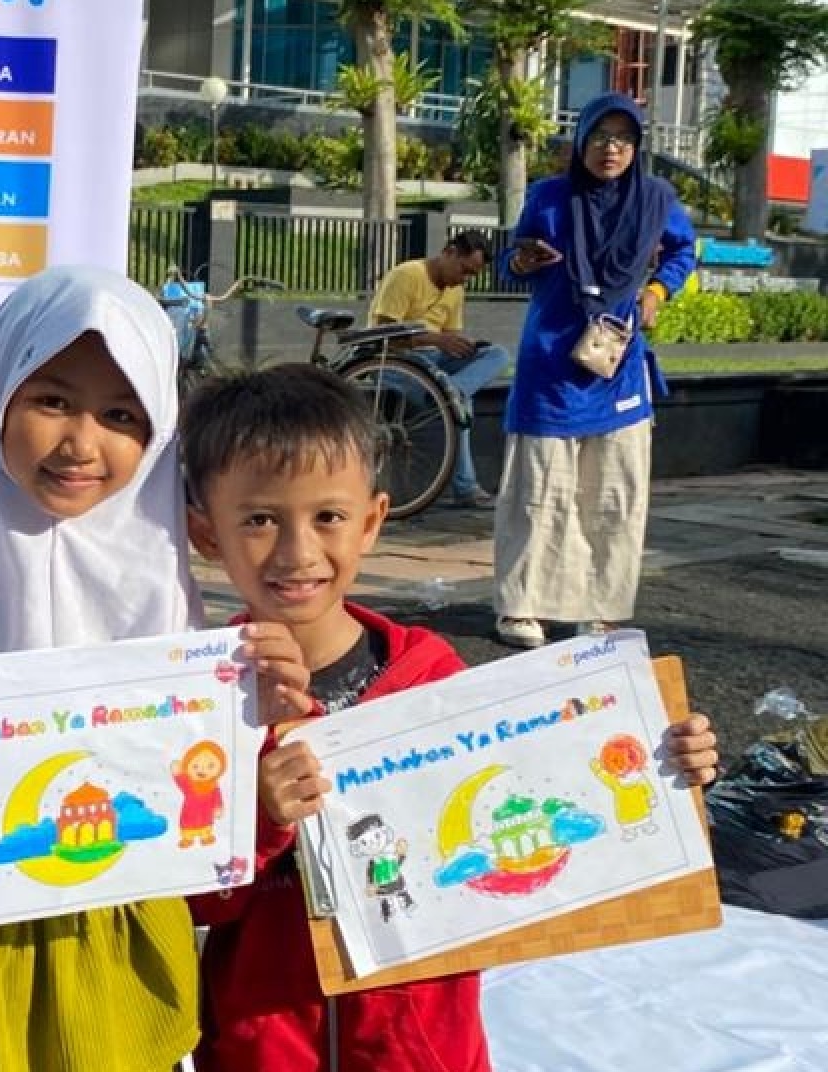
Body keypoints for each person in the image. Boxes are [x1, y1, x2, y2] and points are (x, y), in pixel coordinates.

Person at [0, 264, 314, 1072]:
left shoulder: (165, 594)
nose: (81, 442)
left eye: (118, 413)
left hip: (118, 975)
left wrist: (264, 710)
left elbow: (206, 799)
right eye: (52, 400)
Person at [177, 363, 720, 1072]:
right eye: (258, 519)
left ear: (372, 521)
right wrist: (262, 817)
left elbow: (544, 811)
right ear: (206, 534)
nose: (297, 552)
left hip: (424, 1048)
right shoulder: (203, 705)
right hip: (263, 1048)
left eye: (328, 517)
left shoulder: (433, 679)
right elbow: (195, 905)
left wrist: (664, 765)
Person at [492, 92, 696, 649]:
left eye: (624, 139)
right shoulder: (549, 197)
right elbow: (509, 263)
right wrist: (519, 260)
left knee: (612, 494)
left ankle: (598, 610)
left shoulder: (656, 198)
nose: (612, 149)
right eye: (601, 136)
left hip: (618, 364)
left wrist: (656, 290)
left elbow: (684, 251)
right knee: (537, 492)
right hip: (551, 363)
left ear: (638, 147)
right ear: (581, 140)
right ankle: (521, 606)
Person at [368, 231, 512, 508]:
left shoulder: (455, 290)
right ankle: (466, 487)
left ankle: (453, 391)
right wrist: (435, 339)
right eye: (464, 270)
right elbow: (381, 334)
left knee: (498, 354)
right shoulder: (407, 275)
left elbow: (450, 338)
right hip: (397, 360)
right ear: (449, 252)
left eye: (472, 275)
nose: (464, 279)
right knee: (461, 401)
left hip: (437, 362)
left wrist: (464, 347)